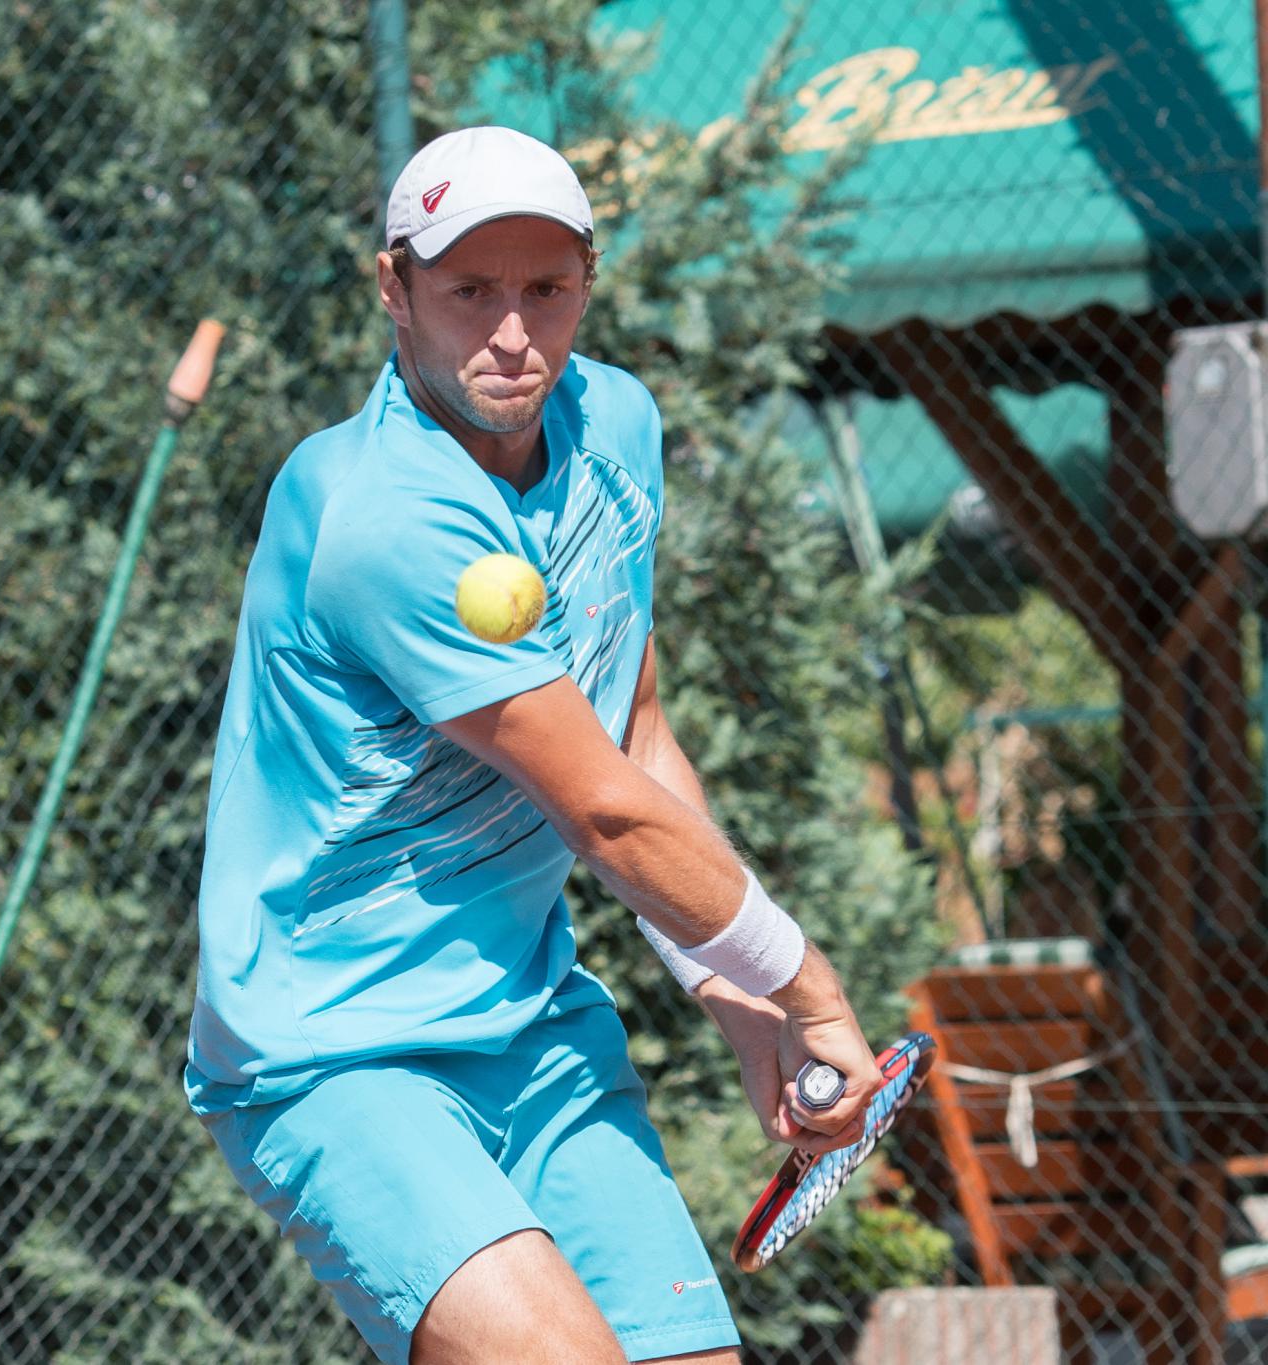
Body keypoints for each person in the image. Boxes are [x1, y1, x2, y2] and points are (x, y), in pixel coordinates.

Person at [183, 125, 882, 1365]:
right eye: (469, 291)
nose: (511, 333)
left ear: (586, 284)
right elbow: (599, 811)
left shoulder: (615, 427)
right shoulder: (379, 516)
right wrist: (807, 990)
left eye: (546, 289)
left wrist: (741, 1008)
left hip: (534, 1027)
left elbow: (636, 741)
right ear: (394, 289)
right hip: (335, 1054)